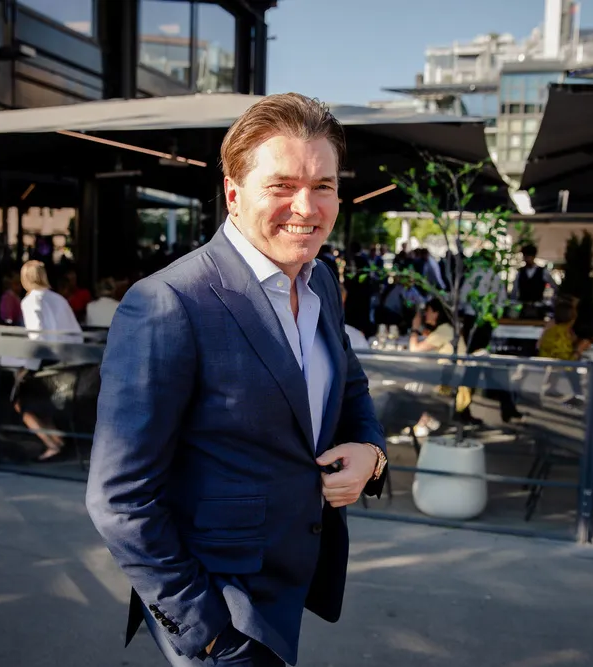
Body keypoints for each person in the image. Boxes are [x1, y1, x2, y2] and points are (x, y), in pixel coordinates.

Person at [85, 93, 387, 667]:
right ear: (233, 194)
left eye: (323, 185)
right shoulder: (168, 302)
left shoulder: (321, 279)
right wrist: (207, 632)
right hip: (224, 611)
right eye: (281, 186)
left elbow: (351, 388)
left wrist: (373, 453)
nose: (306, 206)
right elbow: (119, 497)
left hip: (291, 582)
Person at [13, 260, 83, 461]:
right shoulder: (59, 299)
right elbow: (76, 333)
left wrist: (26, 366)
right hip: (67, 362)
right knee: (41, 404)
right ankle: (58, 440)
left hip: (45, 363)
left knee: (20, 402)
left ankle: (52, 444)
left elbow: (37, 338)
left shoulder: (31, 301)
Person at [509, 244, 558, 317]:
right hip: (523, 307)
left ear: (533, 256)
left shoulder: (543, 272)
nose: (526, 259)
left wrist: (550, 302)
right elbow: (514, 291)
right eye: (525, 257)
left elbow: (554, 287)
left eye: (528, 256)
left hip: (538, 308)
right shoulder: (520, 272)